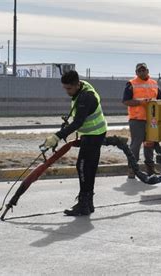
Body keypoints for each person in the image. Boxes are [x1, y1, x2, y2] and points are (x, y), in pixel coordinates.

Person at [44, 70, 107, 216]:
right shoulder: (81, 90)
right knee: (88, 168)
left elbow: (78, 122)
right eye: (65, 88)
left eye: (69, 88)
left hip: (94, 134)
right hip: (93, 133)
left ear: (77, 84)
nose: (67, 91)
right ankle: (88, 203)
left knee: (83, 166)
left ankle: (84, 204)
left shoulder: (86, 97)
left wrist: (57, 136)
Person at [122, 63, 161, 178]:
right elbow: (126, 101)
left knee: (149, 144)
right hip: (137, 120)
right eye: (139, 71)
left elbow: (159, 101)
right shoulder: (131, 84)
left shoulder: (154, 84)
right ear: (136, 72)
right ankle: (132, 169)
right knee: (135, 145)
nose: (141, 72)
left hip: (151, 120)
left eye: (143, 70)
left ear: (147, 71)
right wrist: (141, 102)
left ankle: (150, 169)